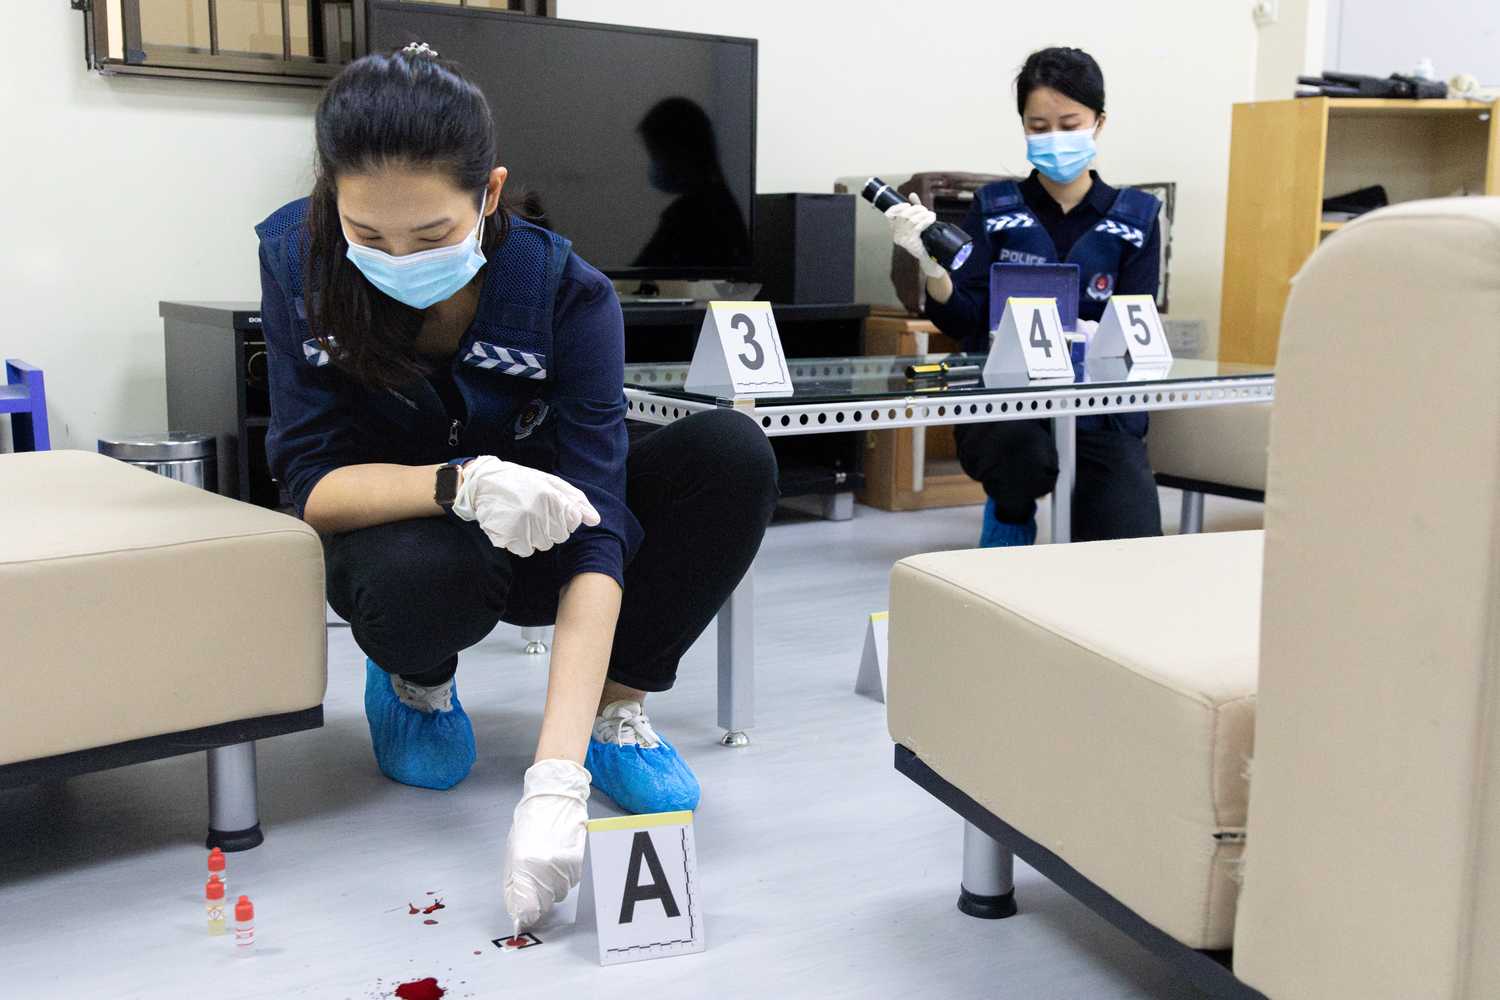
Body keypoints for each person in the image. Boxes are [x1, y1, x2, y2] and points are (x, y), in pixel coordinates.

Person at [255, 44, 778, 932]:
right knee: (416, 577)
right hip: (411, 540)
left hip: (549, 538)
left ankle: (616, 712)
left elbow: (600, 525)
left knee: (731, 455)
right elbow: (310, 481)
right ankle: (416, 683)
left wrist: (555, 781)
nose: (396, 258)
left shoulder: (564, 292)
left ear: (489, 194)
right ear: (330, 196)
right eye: (368, 234)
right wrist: (456, 485)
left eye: (430, 236)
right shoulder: (297, 259)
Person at [885, 46, 1164, 547]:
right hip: (1007, 402)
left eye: (1068, 123)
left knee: (1129, 536)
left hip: (1100, 409)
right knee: (1022, 461)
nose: (1053, 138)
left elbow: (1135, 328)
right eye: (1038, 127)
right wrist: (932, 267)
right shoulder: (995, 208)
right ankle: (1011, 513)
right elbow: (962, 314)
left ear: (1098, 123)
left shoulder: (1137, 219)